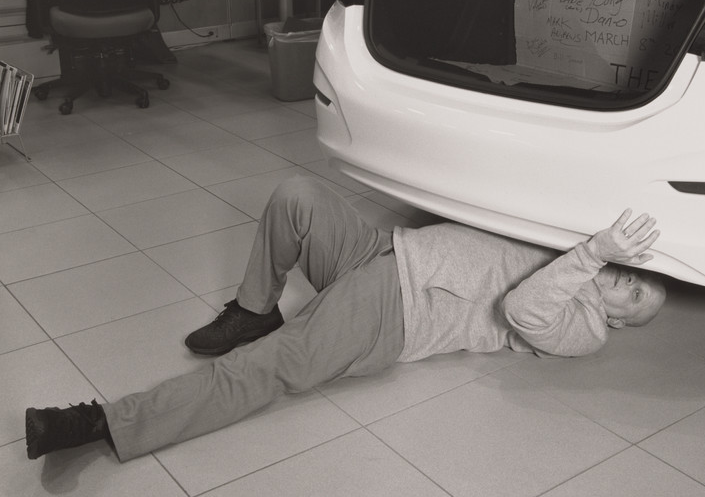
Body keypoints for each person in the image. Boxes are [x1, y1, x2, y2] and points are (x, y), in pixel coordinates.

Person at [25, 174, 665, 462]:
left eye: (636, 298)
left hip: (398, 308)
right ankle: (254, 310)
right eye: (639, 277)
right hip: (382, 251)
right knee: (296, 195)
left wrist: (594, 253)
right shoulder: (571, 250)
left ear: (620, 323)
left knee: (262, 370)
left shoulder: (586, 328)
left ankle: (102, 424)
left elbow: (523, 308)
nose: (629, 284)